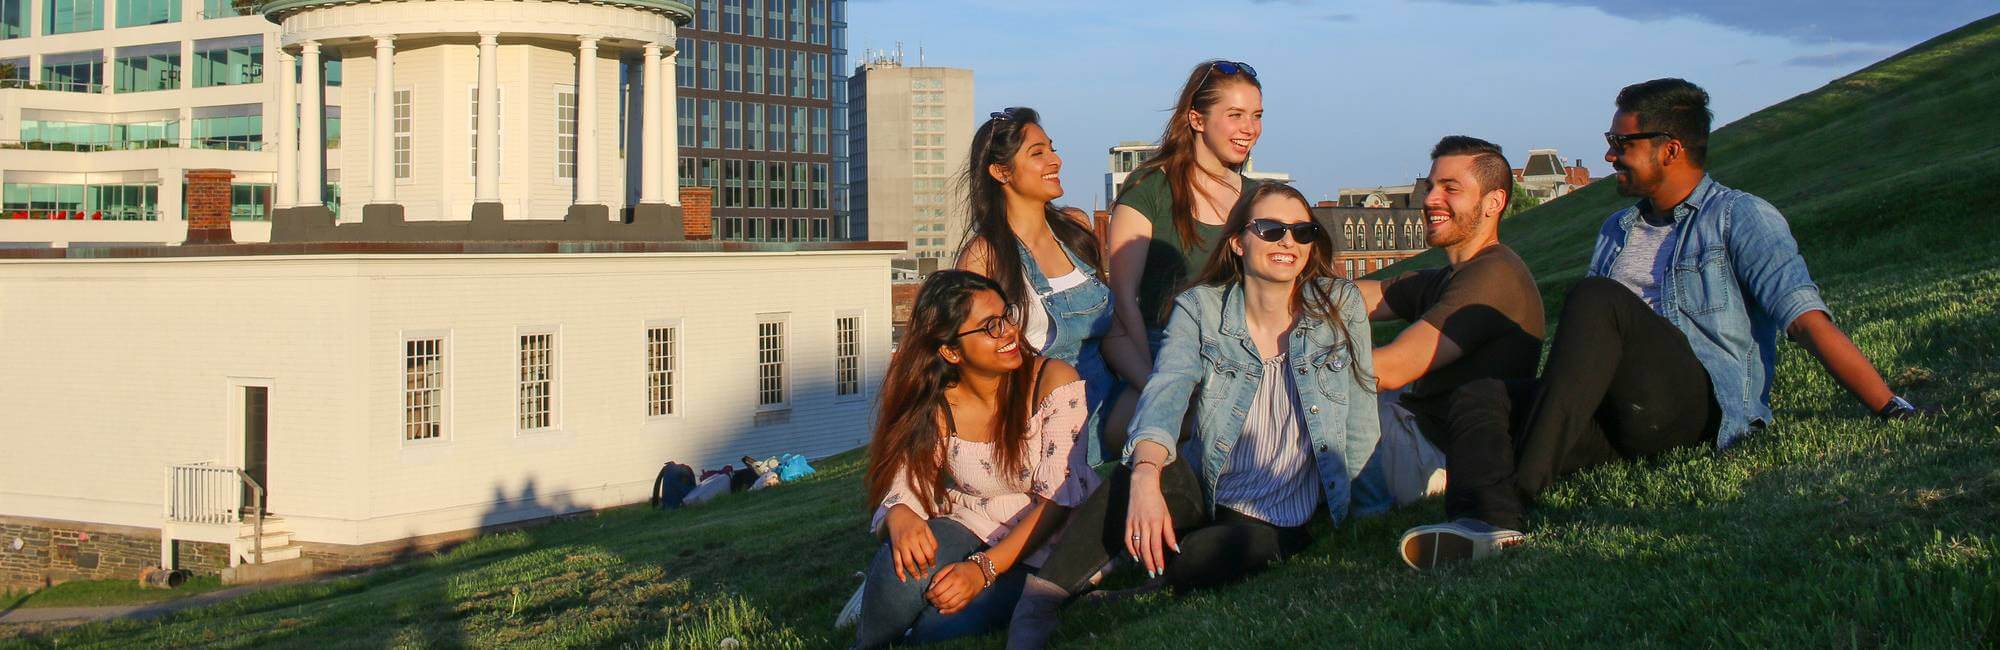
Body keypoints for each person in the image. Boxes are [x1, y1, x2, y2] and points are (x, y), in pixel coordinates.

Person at [1398, 78, 1935, 569]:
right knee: (1480, 395)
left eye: (1621, 143)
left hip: (1695, 408)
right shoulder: (1616, 228)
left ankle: (1521, 485)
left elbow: (1805, 320)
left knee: (1595, 298)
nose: (1610, 155)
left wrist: (1890, 405)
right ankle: (1488, 524)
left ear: (1670, 149)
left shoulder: (1739, 216)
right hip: (1619, 414)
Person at [1008, 183, 1382, 648]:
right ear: (1237, 242)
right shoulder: (1200, 308)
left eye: (1302, 232)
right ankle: (1039, 600)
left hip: (1285, 520)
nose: (1288, 242)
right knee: (1135, 474)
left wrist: (1366, 517)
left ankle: (1147, 581)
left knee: (1201, 556)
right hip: (1209, 493)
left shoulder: (1339, 305)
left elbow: (1362, 413)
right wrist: (1146, 473)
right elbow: (1167, 389)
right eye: (1271, 230)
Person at [854, 270, 1102, 648]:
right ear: (951, 351)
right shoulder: (939, 404)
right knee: (900, 564)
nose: (1009, 332)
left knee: (938, 628)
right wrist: (898, 515)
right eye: (990, 327)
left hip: (1053, 545)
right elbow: (905, 480)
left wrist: (981, 570)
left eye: (1007, 316)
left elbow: (1057, 501)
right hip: (976, 522)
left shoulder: (1054, 381)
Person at [1354, 136, 1546, 507]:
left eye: (1449, 188)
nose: (1430, 200)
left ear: (1494, 202)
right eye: (1430, 187)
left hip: (1437, 459)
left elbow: (1388, 370)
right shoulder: (1452, 276)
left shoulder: (1495, 276)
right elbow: (1359, 298)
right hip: (1417, 437)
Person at [1099, 59, 1266, 455]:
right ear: (1196, 118)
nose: (1250, 129)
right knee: (1129, 431)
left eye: (1257, 116)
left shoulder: (1259, 199)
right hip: (1162, 352)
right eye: (1235, 115)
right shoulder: (1150, 188)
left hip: (1245, 355)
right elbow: (1123, 305)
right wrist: (1162, 385)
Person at [956, 107, 1117, 464]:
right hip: (1041, 418)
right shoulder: (984, 256)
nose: (1055, 160)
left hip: (1108, 401)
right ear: (1000, 172)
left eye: (1052, 148)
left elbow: (1116, 333)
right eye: (1038, 153)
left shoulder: (1075, 230)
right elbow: (973, 359)